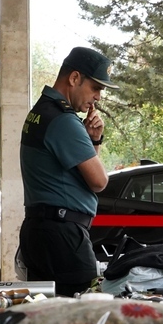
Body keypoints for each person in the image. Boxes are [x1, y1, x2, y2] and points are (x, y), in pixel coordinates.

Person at [19, 47, 116, 296]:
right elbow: (99, 181)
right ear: (74, 78)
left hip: (40, 230)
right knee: (79, 318)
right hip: (62, 236)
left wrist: (92, 141)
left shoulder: (41, 111)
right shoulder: (64, 120)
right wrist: (93, 141)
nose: (98, 97)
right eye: (95, 87)